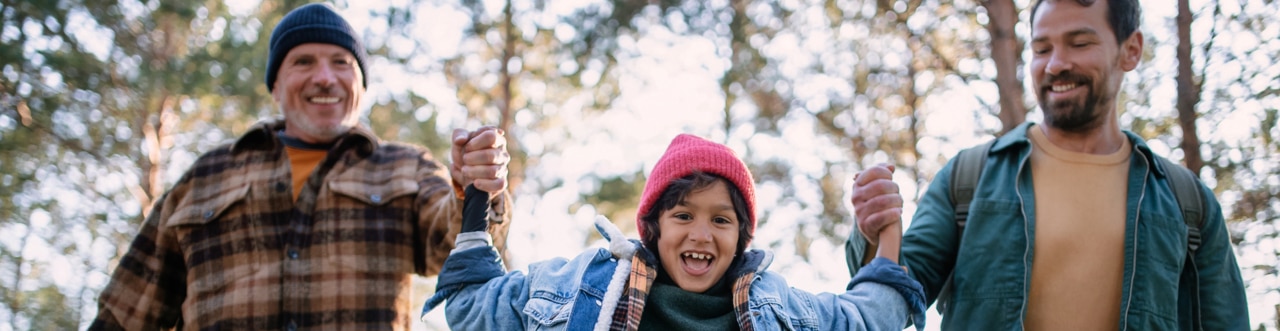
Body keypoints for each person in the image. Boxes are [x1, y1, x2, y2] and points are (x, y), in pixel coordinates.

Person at [90, 3, 511, 330]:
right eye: (303, 61)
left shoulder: (404, 167)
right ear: (275, 84)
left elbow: (456, 246)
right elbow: (126, 312)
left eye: (341, 62)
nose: (324, 77)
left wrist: (472, 187)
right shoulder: (206, 177)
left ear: (360, 86)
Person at [845, 0, 1249, 329]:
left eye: (1079, 43)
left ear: (1131, 50)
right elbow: (898, 292)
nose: (1056, 64)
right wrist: (873, 232)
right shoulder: (970, 176)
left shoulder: (1186, 202)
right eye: (1042, 48)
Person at [424, 133, 926, 330]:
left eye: (721, 220)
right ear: (653, 227)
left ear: (742, 239)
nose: (701, 235)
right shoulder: (580, 288)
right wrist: (477, 198)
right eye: (683, 216)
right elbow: (470, 307)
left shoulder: (782, 308)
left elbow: (867, 319)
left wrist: (885, 234)